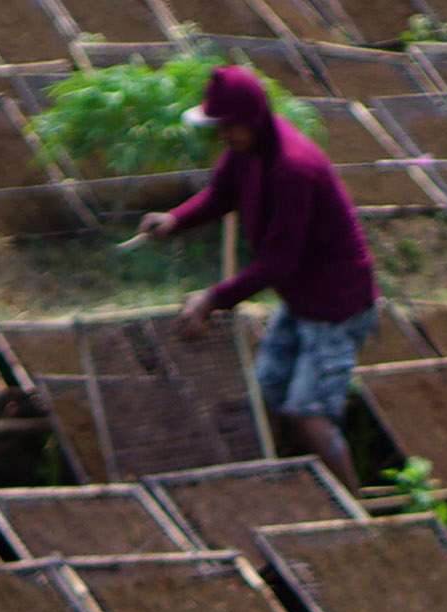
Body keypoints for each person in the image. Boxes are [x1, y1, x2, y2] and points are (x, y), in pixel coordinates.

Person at [139, 63, 379, 491]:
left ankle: (356, 512)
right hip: (303, 301)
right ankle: (291, 486)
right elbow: (221, 195)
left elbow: (278, 261)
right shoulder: (246, 150)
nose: (221, 136)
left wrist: (214, 298)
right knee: (267, 390)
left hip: (337, 306)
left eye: (227, 126)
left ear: (250, 120)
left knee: (309, 410)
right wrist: (175, 219)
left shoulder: (292, 168)